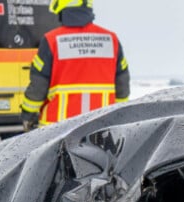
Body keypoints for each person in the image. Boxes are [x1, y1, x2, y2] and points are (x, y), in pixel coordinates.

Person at [20, 0, 130, 130]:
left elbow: (39, 86)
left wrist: (28, 114)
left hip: (57, 130)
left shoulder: (51, 40)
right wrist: (119, 114)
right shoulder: (111, 40)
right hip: (101, 128)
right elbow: (122, 86)